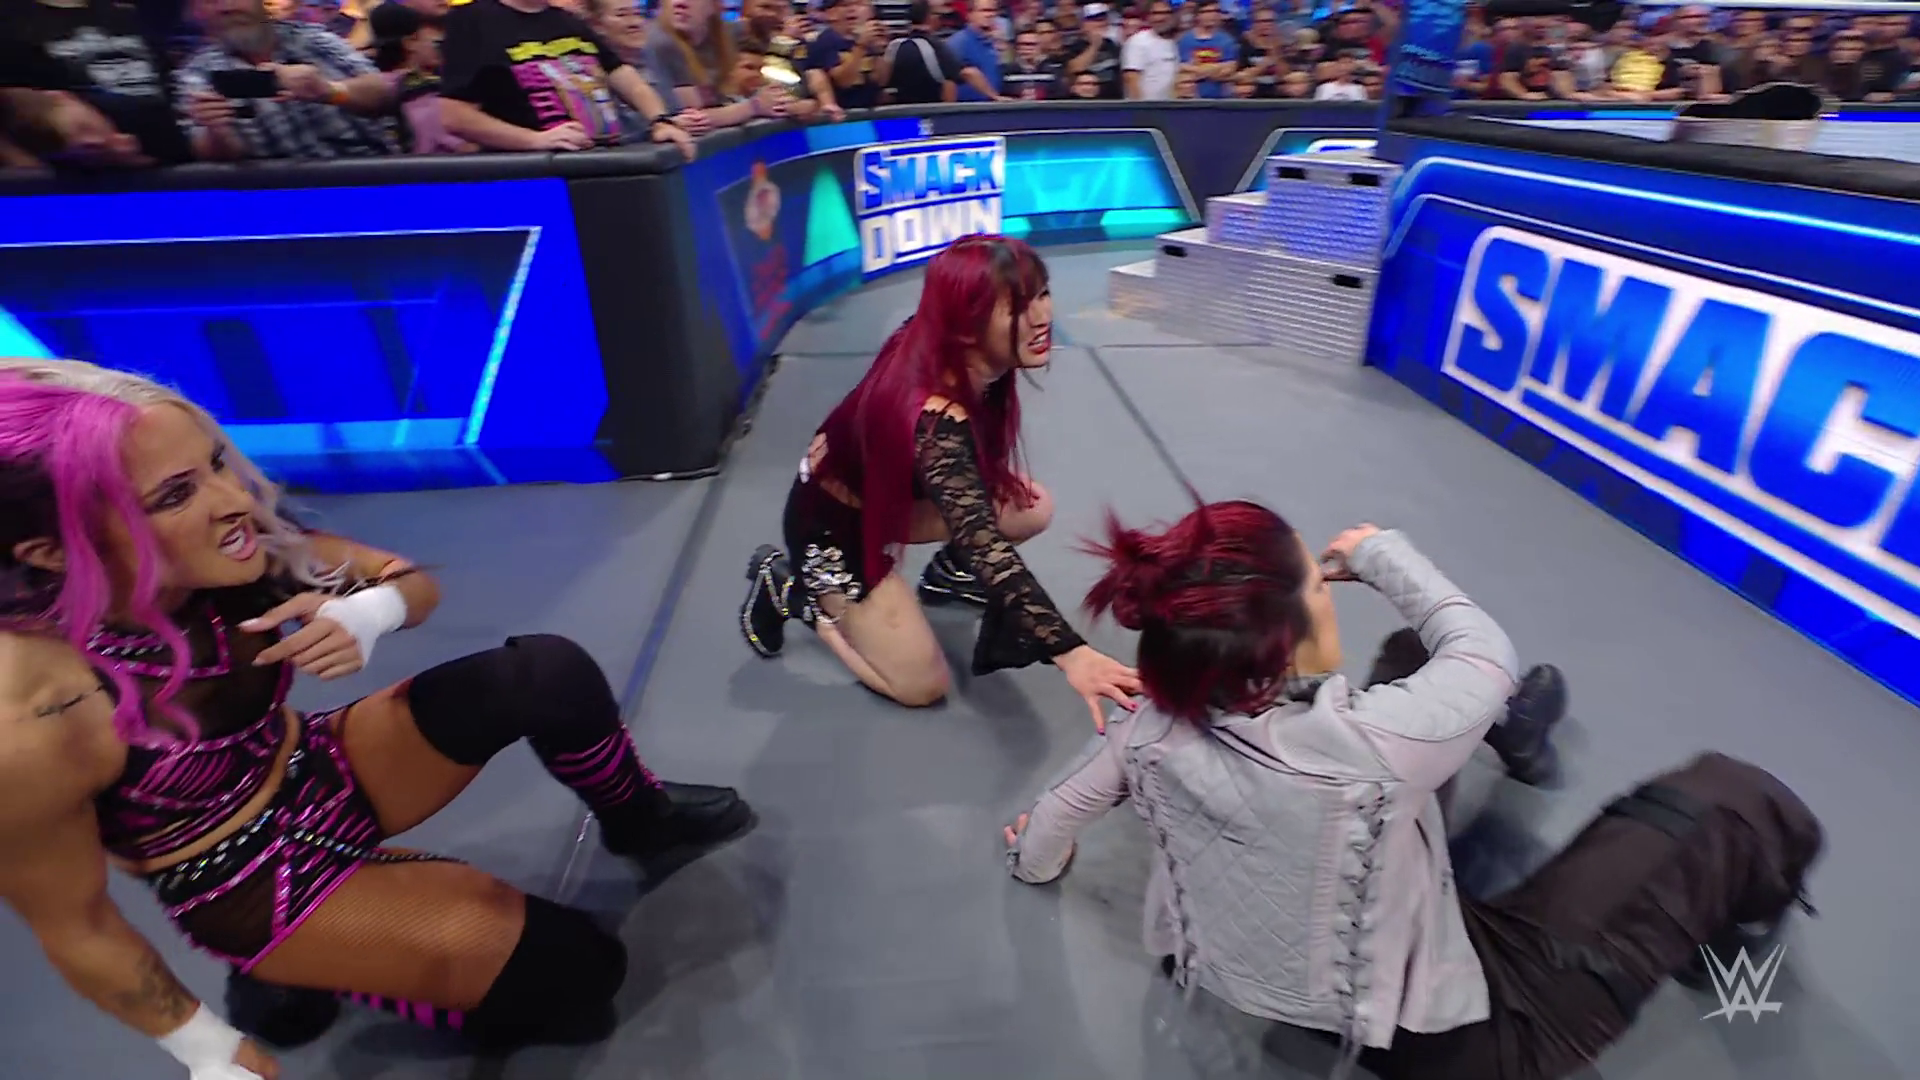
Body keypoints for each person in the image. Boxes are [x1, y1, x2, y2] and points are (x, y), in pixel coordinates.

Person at [0, 358, 753, 1079]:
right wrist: (205, 1048)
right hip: (241, 879)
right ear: (51, 551)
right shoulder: (32, 712)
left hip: (315, 764)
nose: (232, 501)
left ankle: (641, 819)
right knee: (580, 977)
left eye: (216, 463)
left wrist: (372, 611)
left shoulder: (233, 550)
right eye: (173, 496)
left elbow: (405, 579)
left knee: (543, 674)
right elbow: (78, 928)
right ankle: (296, 967)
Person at [1001, 500, 1825, 1080]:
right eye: (1316, 585)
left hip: (1269, 987)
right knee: (1733, 796)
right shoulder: (1379, 743)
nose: (1326, 588)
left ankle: (1511, 732)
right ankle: (1742, 914)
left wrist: (1035, 858)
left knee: (1407, 658)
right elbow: (1481, 651)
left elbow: (1054, 819)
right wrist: (1376, 554)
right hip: (1461, 1039)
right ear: (1284, 642)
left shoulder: (1144, 729)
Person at [738, 235, 1141, 727]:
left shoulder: (940, 340)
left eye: (1042, 293)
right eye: (1017, 306)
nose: (1042, 316)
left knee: (1032, 507)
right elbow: (984, 543)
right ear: (967, 328)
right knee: (921, 685)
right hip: (834, 531)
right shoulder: (935, 420)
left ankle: (948, 576)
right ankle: (794, 594)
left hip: (889, 500)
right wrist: (1070, 651)